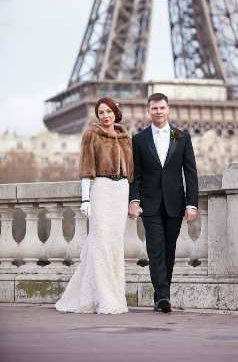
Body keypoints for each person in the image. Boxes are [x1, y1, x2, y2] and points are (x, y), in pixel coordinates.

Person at [55, 97, 134, 314]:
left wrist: (133, 200)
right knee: (100, 244)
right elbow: (86, 170)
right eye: (101, 112)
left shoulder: (126, 136)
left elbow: (132, 173)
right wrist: (86, 199)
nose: (105, 115)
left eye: (109, 111)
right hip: (101, 189)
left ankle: (112, 296)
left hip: (121, 192)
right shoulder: (91, 134)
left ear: (116, 112)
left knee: (115, 245)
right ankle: (105, 299)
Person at [128, 92, 198, 313]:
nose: (158, 112)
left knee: (169, 251)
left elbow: (190, 173)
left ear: (168, 109)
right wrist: (134, 199)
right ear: (149, 111)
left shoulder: (182, 137)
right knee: (155, 250)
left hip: (175, 203)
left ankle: (162, 292)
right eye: (154, 108)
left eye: (162, 108)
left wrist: (191, 203)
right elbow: (135, 174)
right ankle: (163, 297)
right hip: (150, 204)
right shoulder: (139, 139)